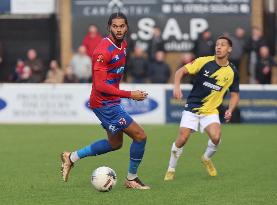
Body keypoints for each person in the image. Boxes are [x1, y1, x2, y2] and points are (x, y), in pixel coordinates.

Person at [61, 12, 150, 190]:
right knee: (140, 136)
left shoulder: (123, 44)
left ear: (126, 27)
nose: (118, 29)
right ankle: (131, 179)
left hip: (111, 101)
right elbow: (100, 85)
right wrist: (129, 94)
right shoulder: (103, 51)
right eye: (115, 26)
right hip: (104, 103)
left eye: (121, 26)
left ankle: (71, 157)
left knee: (115, 143)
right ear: (109, 27)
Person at [164, 36, 240, 181]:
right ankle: (171, 168)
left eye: (222, 45)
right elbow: (180, 71)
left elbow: (235, 94)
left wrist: (230, 109)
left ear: (229, 49)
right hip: (192, 108)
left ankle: (206, 158)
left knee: (216, 137)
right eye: (217, 44)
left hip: (210, 111)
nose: (218, 47)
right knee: (182, 139)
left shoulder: (232, 71)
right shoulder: (204, 61)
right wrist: (176, 86)